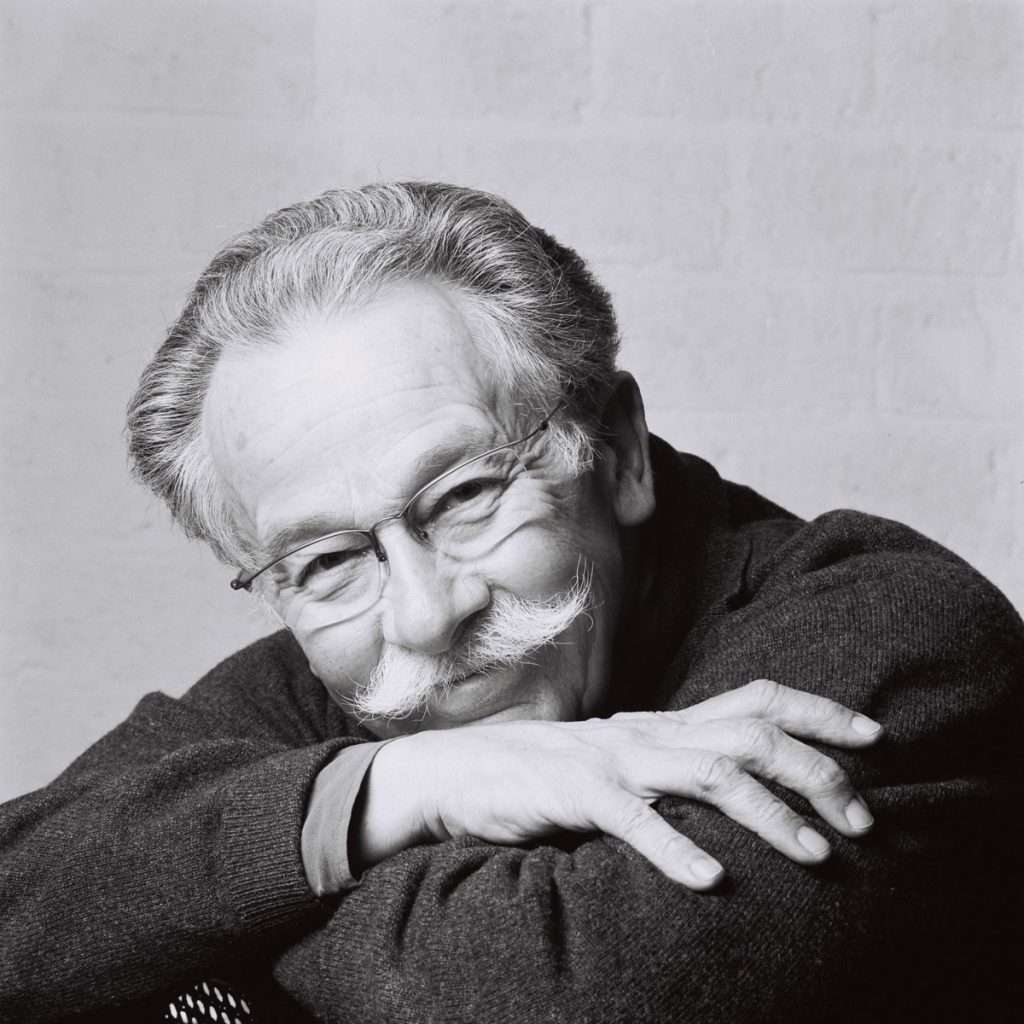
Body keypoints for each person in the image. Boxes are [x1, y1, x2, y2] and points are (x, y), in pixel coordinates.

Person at [1, 182, 1021, 1024]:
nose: (423, 616)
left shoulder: (896, 634)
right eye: (325, 560)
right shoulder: (362, 662)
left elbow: (553, 996)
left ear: (615, 451)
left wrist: (197, 909)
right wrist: (387, 790)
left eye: (464, 498)